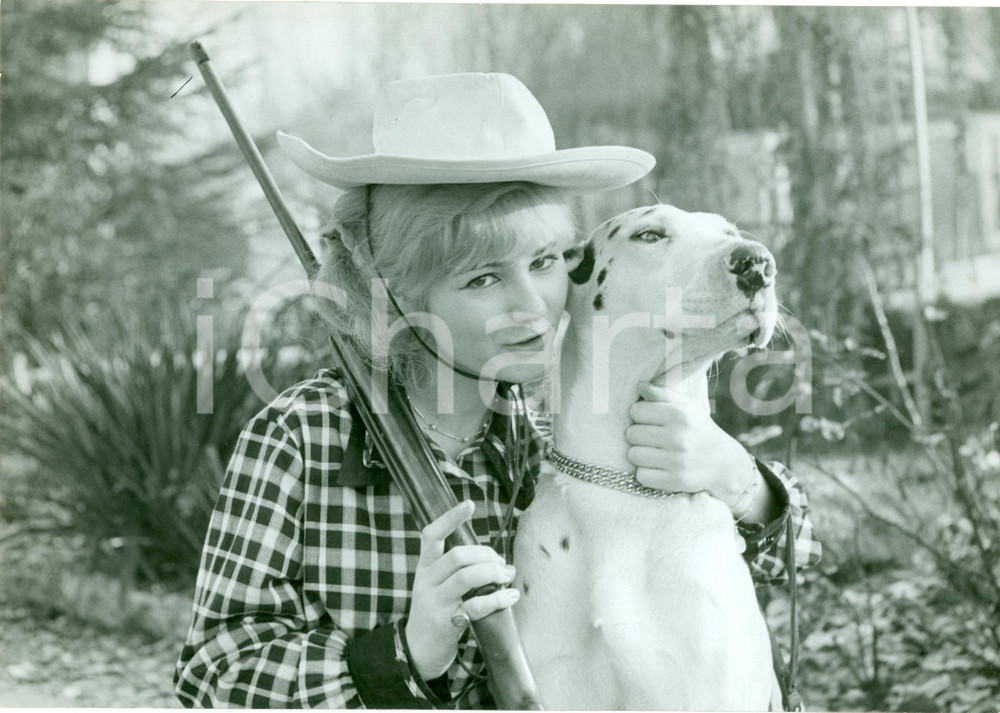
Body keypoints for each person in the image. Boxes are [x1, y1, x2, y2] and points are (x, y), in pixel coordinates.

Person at [174, 72, 821, 708]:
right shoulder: (302, 436)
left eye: (544, 262)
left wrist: (739, 479)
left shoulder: (550, 443)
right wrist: (405, 653)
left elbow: (793, 556)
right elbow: (210, 673)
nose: (531, 305)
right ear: (392, 291)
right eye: (482, 279)